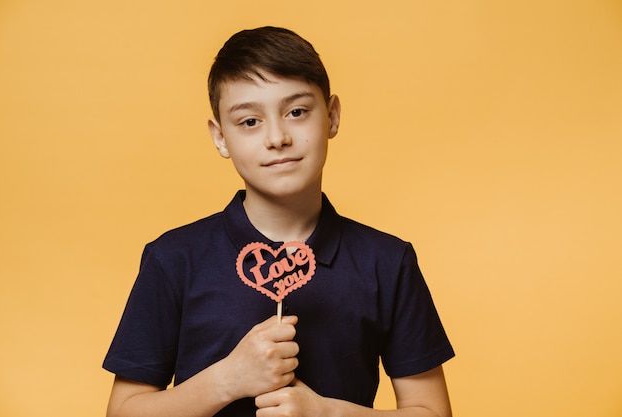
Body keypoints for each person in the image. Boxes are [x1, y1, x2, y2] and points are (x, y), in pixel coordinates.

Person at [103, 26, 455, 417]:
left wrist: (326, 414)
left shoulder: (388, 262)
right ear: (220, 138)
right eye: (249, 122)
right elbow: (123, 411)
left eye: (297, 112)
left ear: (333, 116)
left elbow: (431, 411)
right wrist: (228, 379)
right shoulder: (173, 259)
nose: (277, 137)